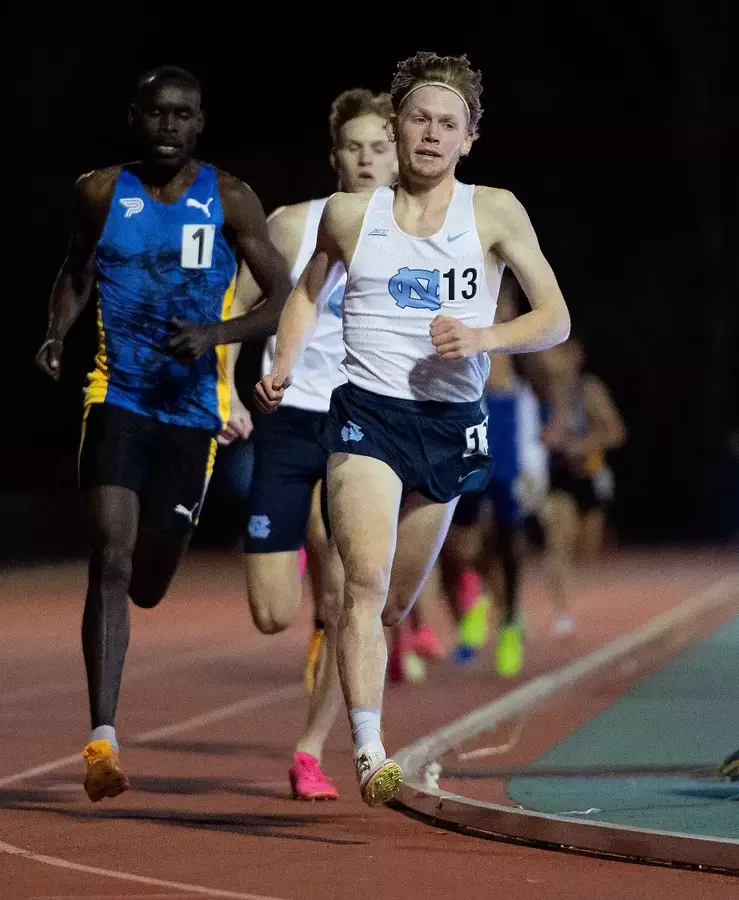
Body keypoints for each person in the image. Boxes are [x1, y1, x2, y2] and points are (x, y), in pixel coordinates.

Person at [255, 51, 571, 806]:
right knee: (359, 584)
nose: (430, 134)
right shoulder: (349, 215)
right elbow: (305, 293)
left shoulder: (494, 211)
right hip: (364, 414)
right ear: (396, 128)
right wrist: (287, 363)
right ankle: (369, 749)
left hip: (451, 424)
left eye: (447, 124)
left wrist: (483, 339)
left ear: (469, 139)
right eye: (419, 119)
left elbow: (554, 319)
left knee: (392, 604)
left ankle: (353, 706)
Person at [35, 65, 293, 803]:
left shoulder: (231, 197)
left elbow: (282, 296)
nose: (170, 126)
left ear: (201, 123)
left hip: (192, 413)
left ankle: (150, 576)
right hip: (116, 395)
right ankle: (102, 738)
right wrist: (56, 333)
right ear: (135, 118)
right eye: (157, 113)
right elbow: (76, 271)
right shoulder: (98, 192)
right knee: (110, 555)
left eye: (184, 114)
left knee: (148, 579)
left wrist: (218, 332)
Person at [229, 87, 398, 801]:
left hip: (356, 425)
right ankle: (308, 574)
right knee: (272, 612)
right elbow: (238, 303)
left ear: (396, 156)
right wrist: (228, 390)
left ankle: (311, 749)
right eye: (354, 147)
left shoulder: (416, 232)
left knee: (348, 597)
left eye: (379, 147)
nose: (367, 158)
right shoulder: (295, 224)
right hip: (286, 418)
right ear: (335, 157)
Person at [440, 273, 529, 676]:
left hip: (505, 429)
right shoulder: (465, 317)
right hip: (469, 425)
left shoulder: (516, 341)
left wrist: (536, 458)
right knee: (460, 544)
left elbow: (550, 385)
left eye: (503, 306)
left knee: (508, 540)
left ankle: (509, 622)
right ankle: (476, 598)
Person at [535, 339, 625, 636]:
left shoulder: (588, 390)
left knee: (585, 550)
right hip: (557, 477)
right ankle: (563, 614)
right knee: (557, 542)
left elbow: (616, 432)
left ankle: (570, 595)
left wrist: (582, 446)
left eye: (558, 352)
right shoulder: (539, 392)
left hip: (589, 475)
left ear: (575, 356)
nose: (550, 358)